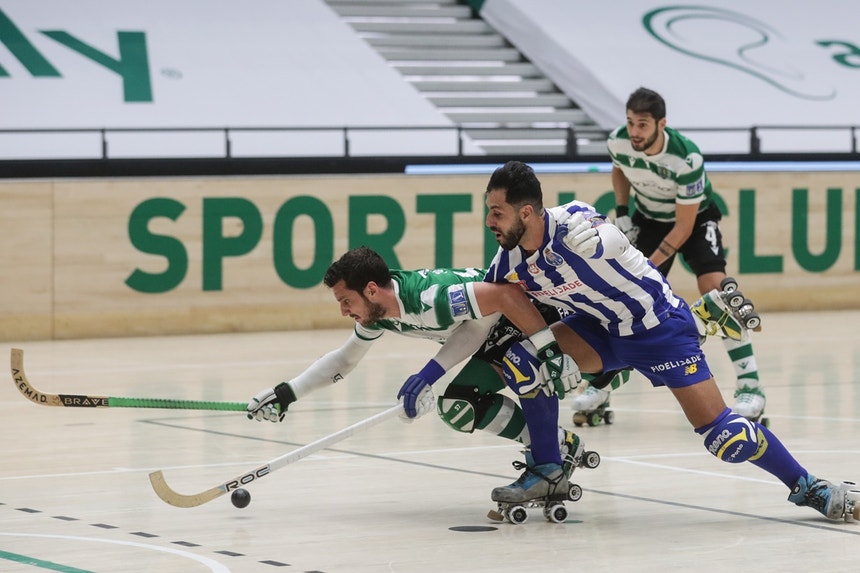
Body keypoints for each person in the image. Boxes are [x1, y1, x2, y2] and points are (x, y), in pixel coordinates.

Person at [477, 159, 853, 520]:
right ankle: (547, 472)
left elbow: (612, 239)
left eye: (497, 211)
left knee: (724, 437)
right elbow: (484, 299)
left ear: (526, 213)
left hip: (658, 328)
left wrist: (601, 240)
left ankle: (809, 486)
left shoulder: (574, 219)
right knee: (523, 359)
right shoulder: (508, 261)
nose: (490, 220)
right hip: (601, 331)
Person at [245, 246, 590, 481]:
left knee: (459, 398)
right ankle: (558, 444)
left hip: (533, 320)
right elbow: (345, 360)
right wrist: (287, 393)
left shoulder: (430, 299)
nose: (344, 311)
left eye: (346, 300)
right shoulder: (378, 315)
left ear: (371, 290)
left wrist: (429, 374)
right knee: (459, 406)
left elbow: (495, 307)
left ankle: (553, 447)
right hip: (495, 338)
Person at [573, 86, 766, 425]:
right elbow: (619, 168)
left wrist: (646, 267)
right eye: (631, 122)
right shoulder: (619, 141)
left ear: (662, 124)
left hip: (692, 219)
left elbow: (683, 226)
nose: (634, 132)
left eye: (643, 125)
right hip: (649, 218)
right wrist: (622, 211)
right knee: (626, 301)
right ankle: (601, 384)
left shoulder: (686, 158)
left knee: (718, 293)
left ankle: (751, 387)